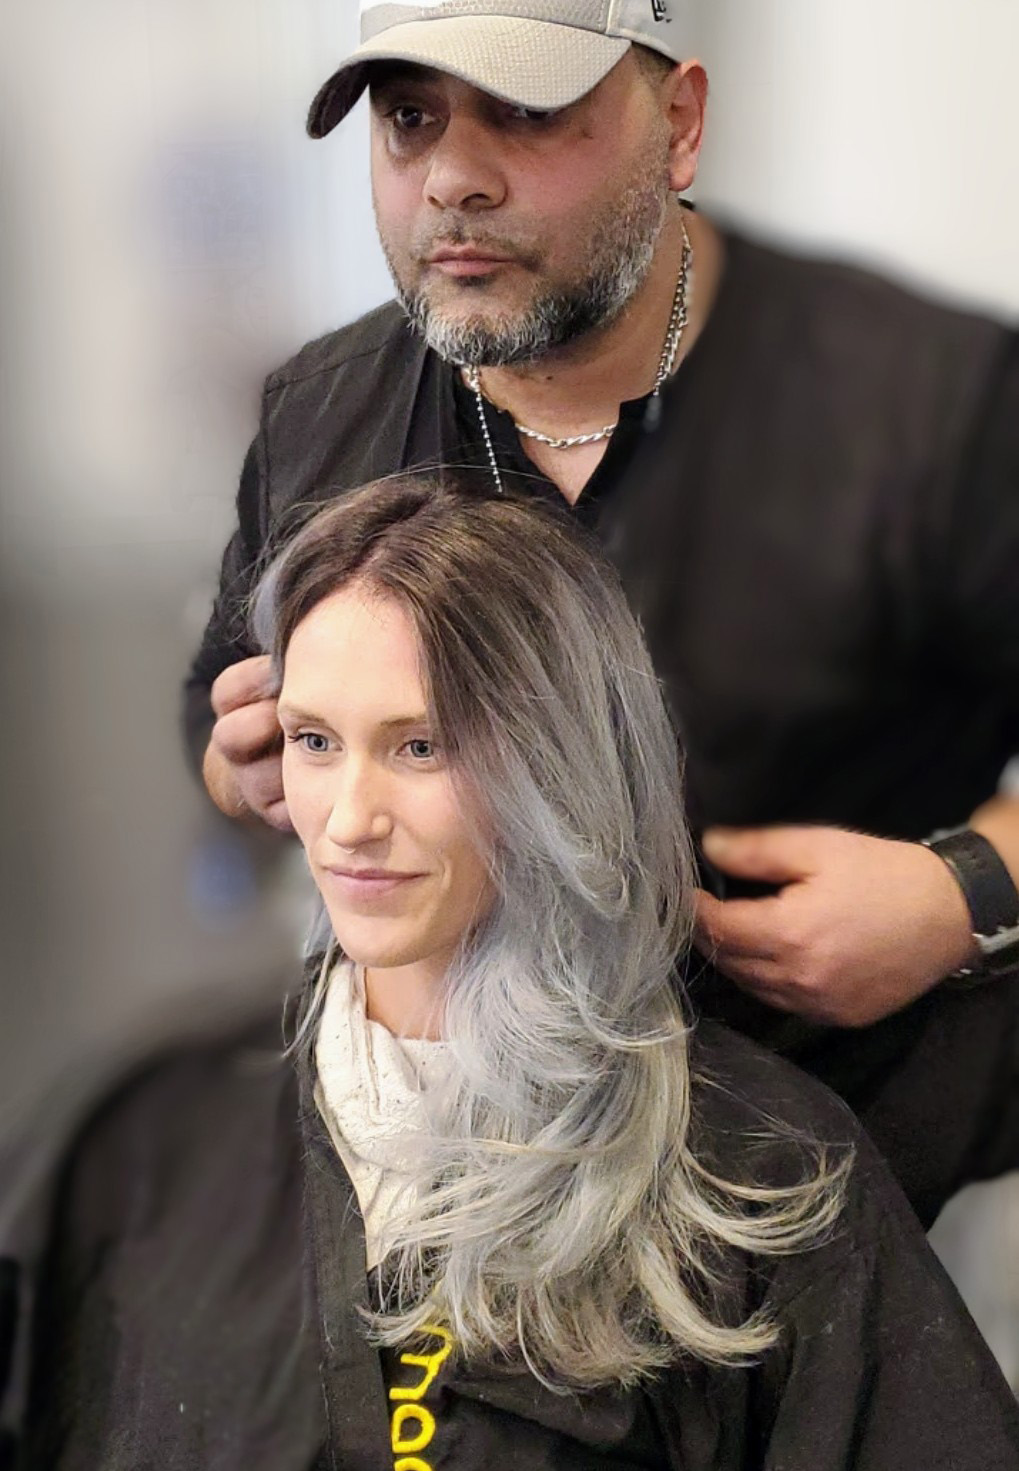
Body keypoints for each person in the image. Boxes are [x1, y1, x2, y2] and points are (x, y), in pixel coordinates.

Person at [9, 478, 1019, 1471]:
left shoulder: (750, 1168)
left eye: (420, 747)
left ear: (555, 764)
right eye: (315, 741)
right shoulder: (158, 1141)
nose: (349, 820)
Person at [184, 1, 1019, 1225]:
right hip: (452, 1206)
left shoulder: (921, 409)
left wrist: (962, 894)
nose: (455, 179)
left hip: (834, 1199)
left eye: (527, 115)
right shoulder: (322, 424)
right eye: (409, 120)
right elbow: (221, 757)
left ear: (676, 124)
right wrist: (262, 771)